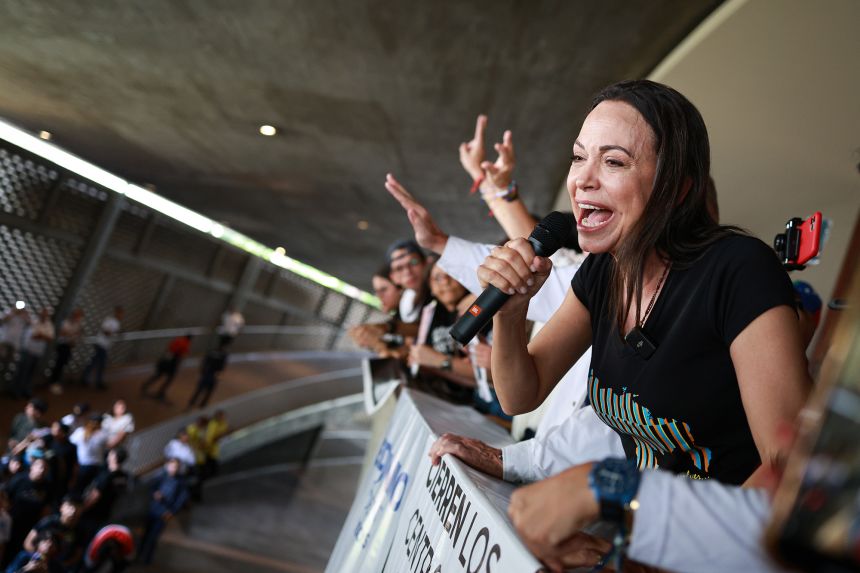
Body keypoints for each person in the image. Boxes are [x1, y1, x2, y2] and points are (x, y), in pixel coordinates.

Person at [477, 80, 810, 569]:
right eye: (578, 157)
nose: (583, 180)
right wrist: (510, 315)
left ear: (677, 190)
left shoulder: (737, 270)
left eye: (613, 162)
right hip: (641, 539)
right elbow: (520, 393)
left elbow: (791, 473)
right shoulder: (602, 271)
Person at [136, 458, 188, 565]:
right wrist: (155, 494)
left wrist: (172, 512)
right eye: (172, 466)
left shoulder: (181, 482)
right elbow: (150, 488)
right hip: (152, 509)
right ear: (167, 465)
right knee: (145, 535)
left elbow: (181, 499)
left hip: (164, 513)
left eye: (176, 467)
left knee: (153, 537)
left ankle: (146, 560)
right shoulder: (161, 477)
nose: (173, 469)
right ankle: (138, 556)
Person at [3, 458, 51, 567]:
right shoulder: (19, 479)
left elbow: (46, 509)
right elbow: (5, 497)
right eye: (40, 466)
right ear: (32, 467)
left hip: (27, 528)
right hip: (11, 523)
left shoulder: (47, 487)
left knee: (15, 555)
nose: (42, 470)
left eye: (45, 468)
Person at [79, 448, 129, 544]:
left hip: (93, 513)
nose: (108, 456)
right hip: (107, 512)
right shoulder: (124, 477)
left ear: (114, 458)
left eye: (110, 455)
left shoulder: (106, 476)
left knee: (85, 537)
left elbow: (95, 496)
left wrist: (82, 509)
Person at [23, 495, 85, 570]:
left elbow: (77, 555)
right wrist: (37, 559)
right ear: (62, 507)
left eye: (77, 507)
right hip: (33, 562)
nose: (73, 510)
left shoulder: (79, 533)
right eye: (70, 506)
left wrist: (60, 566)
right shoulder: (48, 522)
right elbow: (28, 542)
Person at [12, 309, 54, 400]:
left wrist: (42, 336)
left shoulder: (48, 324)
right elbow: (34, 336)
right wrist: (43, 336)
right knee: (22, 372)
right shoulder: (34, 322)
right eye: (43, 314)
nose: (44, 316)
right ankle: (16, 392)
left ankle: (26, 391)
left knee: (31, 373)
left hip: (38, 353)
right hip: (28, 351)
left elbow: (50, 337)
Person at [386, 239, 431, 324]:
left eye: (413, 262)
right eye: (399, 268)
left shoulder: (445, 288)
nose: (408, 272)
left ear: (425, 263)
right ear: (393, 277)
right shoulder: (406, 303)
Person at [139, 334, 192, 402]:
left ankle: (145, 385)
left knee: (158, 375)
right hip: (173, 362)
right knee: (170, 379)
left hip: (166, 360)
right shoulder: (186, 344)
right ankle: (160, 392)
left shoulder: (178, 340)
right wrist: (178, 364)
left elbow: (169, 348)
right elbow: (181, 355)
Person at [81, 307, 123, 390]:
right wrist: (113, 333)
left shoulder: (117, 323)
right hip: (101, 343)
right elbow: (105, 331)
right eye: (120, 313)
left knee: (94, 362)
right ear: (116, 313)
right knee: (101, 364)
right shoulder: (109, 320)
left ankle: (85, 378)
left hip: (105, 345)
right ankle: (97, 382)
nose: (121, 315)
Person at [48, 308, 84, 395]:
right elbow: (63, 333)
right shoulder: (67, 322)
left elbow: (76, 336)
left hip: (69, 346)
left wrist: (74, 337)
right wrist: (72, 334)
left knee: (63, 364)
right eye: (77, 315)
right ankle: (53, 381)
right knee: (58, 364)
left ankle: (56, 381)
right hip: (63, 345)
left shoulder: (77, 325)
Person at [69, 415, 108, 495]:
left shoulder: (80, 432)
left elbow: (70, 443)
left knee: (77, 489)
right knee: (88, 491)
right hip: (97, 467)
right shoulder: (103, 435)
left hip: (82, 466)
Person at [186, 341, 228, 409]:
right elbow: (222, 367)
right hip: (213, 375)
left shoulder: (211, 352)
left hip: (206, 373)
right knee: (209, 391)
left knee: (199, 389)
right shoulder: (223, 355)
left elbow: (204, 361)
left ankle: (192, 403)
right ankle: (202, 405)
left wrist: (202, 371)